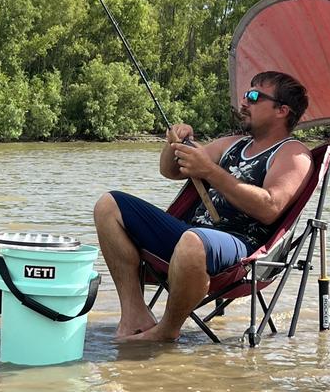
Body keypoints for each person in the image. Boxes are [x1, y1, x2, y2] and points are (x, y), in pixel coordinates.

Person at [93, 71, 313, 343]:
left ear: (282, 110)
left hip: (242, 248)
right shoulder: (232, 144)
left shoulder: (293, 154)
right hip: (192, 235)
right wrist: (174, 143)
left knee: (192, 241)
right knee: (108, 205)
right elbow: (171, 171)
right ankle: (134, 314)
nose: (245, 101)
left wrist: (209, 171)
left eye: (255, 96)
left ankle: (167, 330)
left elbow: (270, 207)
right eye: (246, 94)